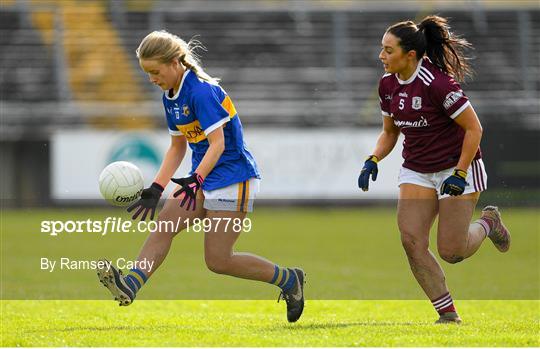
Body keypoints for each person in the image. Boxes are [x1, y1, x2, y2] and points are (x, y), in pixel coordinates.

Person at [96, 30, 305, 323]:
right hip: (201, 177)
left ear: (174, 63)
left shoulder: (201, 92)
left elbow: (218, 143)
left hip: (233, 177)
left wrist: (197, 178)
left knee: (218, 261)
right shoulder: (170, 97)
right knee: (163, 226)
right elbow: (176, 147)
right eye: (146, 73)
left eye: (155, 72)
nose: (152, 79)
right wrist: (156, 188)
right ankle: (130, 284)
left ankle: (289, 280)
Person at [358, 15, 510, 324]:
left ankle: (488, 224)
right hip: (417, 169)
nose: (381, 56)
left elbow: (474, 129)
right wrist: (372, 158)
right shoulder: (387, 85)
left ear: (409, 55)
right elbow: (390, 132)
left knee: (451, 252)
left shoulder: (437, 84)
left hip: (456, 167)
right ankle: (448, 314)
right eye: (381, 49)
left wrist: (460, 173)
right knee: (411, 241)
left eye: (388, 50)